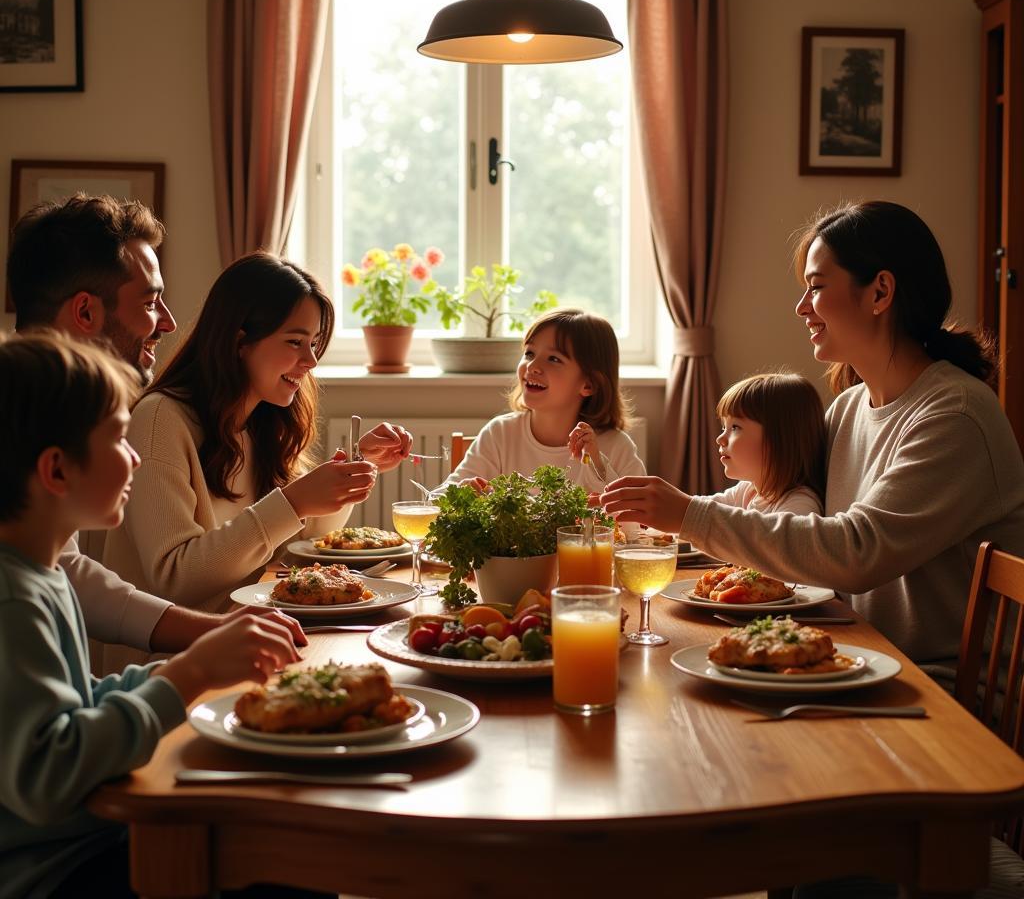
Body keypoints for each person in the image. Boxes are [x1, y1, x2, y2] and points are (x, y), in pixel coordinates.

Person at [602, 201, 1024, 683]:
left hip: (941, 687)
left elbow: (854, 551)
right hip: (861, 659)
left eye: (816, 288)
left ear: (880, 292)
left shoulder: (955, 415)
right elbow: (777, 500)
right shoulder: (847, 410)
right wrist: (660, 518)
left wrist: (689, 515)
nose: (802, 307)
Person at [0, 332, 333, 899]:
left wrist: (188, 673)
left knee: (289, 838)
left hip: (87, 840)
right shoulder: (13, 599)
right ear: (56, 471)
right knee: (292, 866)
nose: (134, 457)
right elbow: (46, 776)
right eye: (118, 439)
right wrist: (189, 675)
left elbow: (77, 705)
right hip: (53, 871)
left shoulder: (43, 575)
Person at [6, 194, 305, 657]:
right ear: (86, 312)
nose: (168, 322)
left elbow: (71, 573)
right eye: (150, 303)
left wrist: (213, 632)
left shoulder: (51, 409)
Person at [103, 252, 411, 666]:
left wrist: (356, 469)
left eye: (315, 343)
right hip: (173, 667)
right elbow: (175, 578)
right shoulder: (160, 419)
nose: (311, 361)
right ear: (239, 341)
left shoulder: (261, 421)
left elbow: (306, 532)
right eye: (294, 342)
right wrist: (295, 502)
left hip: (249, 638)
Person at [437, 308, 645, 493]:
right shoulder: (499, 434)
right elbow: (440, 498)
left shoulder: (616, 447)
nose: (532, 366)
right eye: (529, 353)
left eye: (554, 359)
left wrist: (597, 465)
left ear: (588, 385)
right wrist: (460, 491)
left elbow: (636, 527)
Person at [705, 371, 825, 518]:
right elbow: (702, 511)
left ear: (779, 440)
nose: (720, 439)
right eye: (724, 427)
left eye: (735, 427)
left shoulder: (799, 505)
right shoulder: (749, 490)